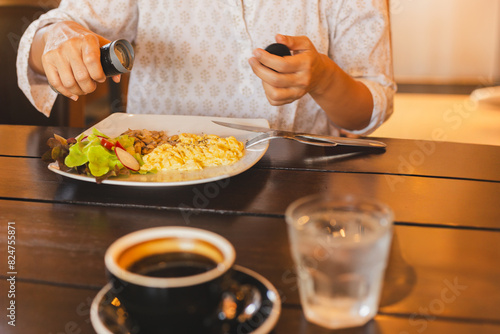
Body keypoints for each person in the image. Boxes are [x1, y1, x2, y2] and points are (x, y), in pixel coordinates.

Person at [17, 0, 396, 136]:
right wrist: (58, 39)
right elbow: (53, 32)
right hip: (159, 177)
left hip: (294, 182)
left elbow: (370, 108)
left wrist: (326, 79)